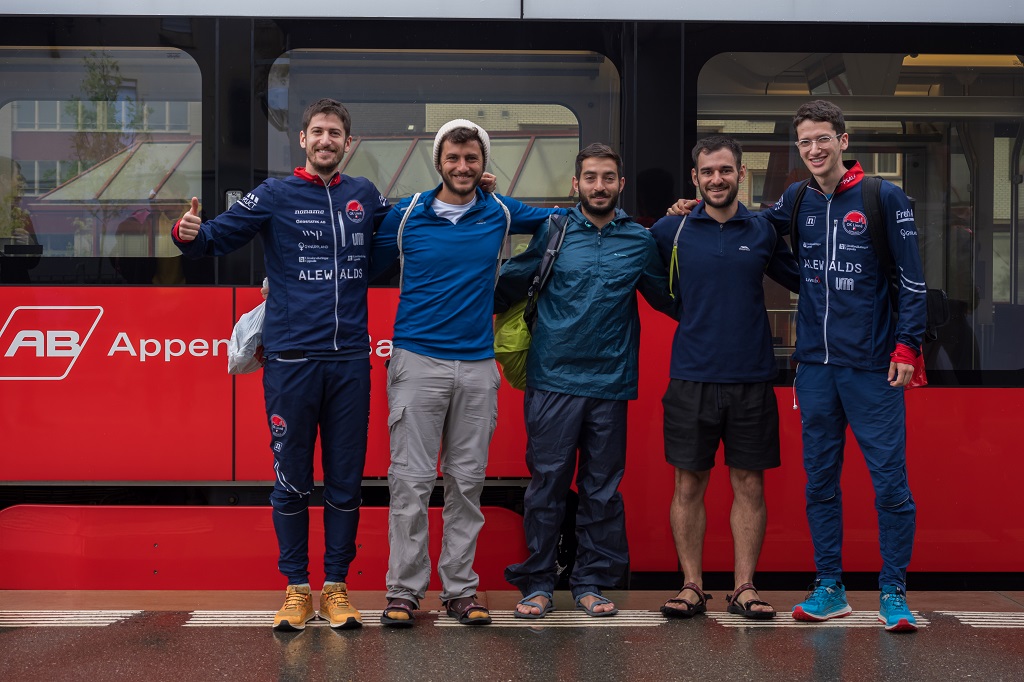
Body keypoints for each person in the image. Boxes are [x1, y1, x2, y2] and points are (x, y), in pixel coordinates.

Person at [173, 97, 391, 631]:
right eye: (318, 132)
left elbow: (415, 226)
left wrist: (474, 195)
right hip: (291, 363)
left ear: (348, 142)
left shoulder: (365, 194)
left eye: (335, 133)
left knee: (345, 482)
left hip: (349, 362)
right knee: (291, 482)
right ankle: (296, 588)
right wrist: (188, 234)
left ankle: (335, 588)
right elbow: (214, 239)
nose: (326, 141)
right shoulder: (274, 194)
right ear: (303, 139)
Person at [369, 119, 558, 628]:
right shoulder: (406, 214)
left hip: (477, 366)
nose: (462, 166)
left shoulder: (500, 211)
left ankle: (460, 591)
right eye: (453, 158)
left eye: (471, 158)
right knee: (410, 484)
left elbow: (563, 219)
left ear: (483, 163)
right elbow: (359, 264)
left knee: (467, 483)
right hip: (416, 362)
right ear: (439, 162)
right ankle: (404, 592)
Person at [495, 143, 677, 619]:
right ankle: (538, 583)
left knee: (601, 491)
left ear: (621, 185)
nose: (599, 186)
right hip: (552, 378)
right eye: (591, 178)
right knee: (547, 487)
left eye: (608, 178)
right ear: (576, 184)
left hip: (610, 382)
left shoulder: (639, 241)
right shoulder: (554, 231)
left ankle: (590, 582)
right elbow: (509, 282)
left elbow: (670, 299)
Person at [765, 100, 927, 632]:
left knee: (890, 485)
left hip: (873, 367)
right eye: (805, 141)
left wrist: (906, 347)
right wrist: (693, 207)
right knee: (819, 483)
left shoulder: (883, 196)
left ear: (843, 140)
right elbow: (755, 233)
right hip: (815, 367)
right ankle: (830, 587)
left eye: (823, 139)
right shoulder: (797, 198)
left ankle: (893, 591)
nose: (814, 149)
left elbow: (913, 279)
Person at [649, 136, 799, 621]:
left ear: (740, 174)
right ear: (695, 178)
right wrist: (688, 314)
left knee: (749, 484)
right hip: (691, 376)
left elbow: (804, 280)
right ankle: (691, 586)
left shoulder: (762, 230)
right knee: (688, 484)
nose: (717, 179)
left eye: (726, 170)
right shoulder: (669, 229)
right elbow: (649, 282)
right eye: (708, 172)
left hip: (752, 377)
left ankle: (744, 588)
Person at [0, 155, 40, 283]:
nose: (19, 183)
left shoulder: (21, 216)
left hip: (17, 288)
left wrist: (30, 246)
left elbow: (34, 262)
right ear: (4, 179)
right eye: (17, 178)